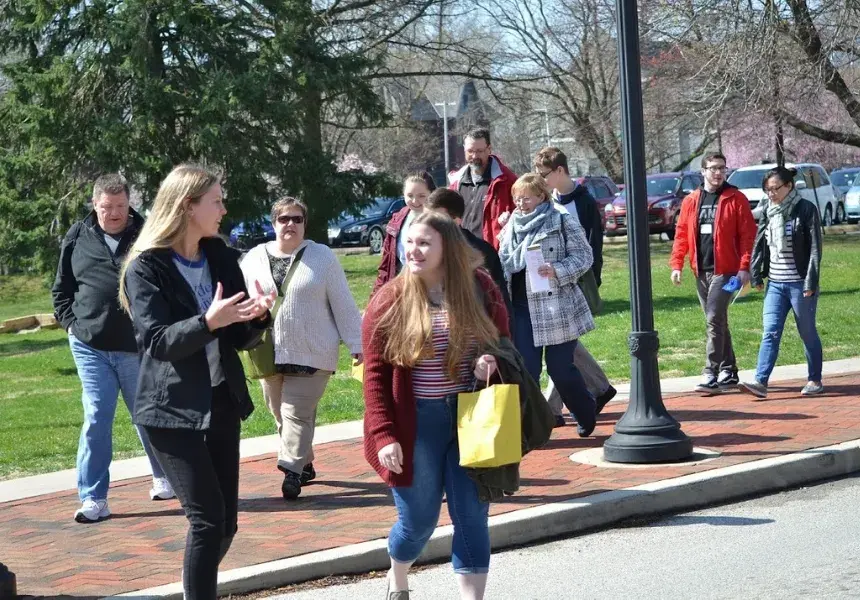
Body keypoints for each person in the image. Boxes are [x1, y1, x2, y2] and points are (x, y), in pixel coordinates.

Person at [120, 164, 275, 600]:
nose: (224, 209)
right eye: (216, 201)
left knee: (226, 523)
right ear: (189, 206)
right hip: (170, 412)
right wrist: (208, 321)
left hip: (221, 402)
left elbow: (241, 337)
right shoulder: (146, 268)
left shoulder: (221, 256)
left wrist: (258, 315)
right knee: (207, 520)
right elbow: (157, 342)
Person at [362, 211, 511, 600]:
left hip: (472, 418)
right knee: (418, 522)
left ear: (448, 247)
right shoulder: (390, 300)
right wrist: (383, 435)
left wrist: (490, 363)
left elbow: (505, 344)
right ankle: (398, 573)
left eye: (425, 242)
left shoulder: (480, 288)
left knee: (472, 516)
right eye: (410, 242)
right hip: (416, 425)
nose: (414, 250)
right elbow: (374, 377)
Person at [52, 174, 173, 523]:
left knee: (146, 415)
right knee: (96, 416)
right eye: (107, 207)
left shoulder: (147, 234)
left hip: (136, 345)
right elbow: (62, 287)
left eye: (121, 206)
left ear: (129, 203)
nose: (115, 213)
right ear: (95, 205)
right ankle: (94, 499)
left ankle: (164, 476)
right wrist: (71, 323)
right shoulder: (78, 236)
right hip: (90, 344)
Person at [240, 197, 363, 499]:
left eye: (297, 219)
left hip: (314, 349)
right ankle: (304, 463)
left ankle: (291, 472)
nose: (290, 224)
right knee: (280, 413)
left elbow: (344, 304)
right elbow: (240, 299)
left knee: (296, 412)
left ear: (305, 224)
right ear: (273, 224)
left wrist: (357, 344)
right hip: (269, 352)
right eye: (284, 219)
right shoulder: (254, 258)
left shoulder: (322, 257)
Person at [498, 173, 598, 437]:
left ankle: (585, 410)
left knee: (560, 370)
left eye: (526, 199)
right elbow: (504, 262)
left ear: (541, 196)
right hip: (521, 309)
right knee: (527, 371)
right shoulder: (510, 226)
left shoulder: (561, 219)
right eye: (517, 199)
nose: (520, 204)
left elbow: (585, 256)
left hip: (556, 307)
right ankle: (534, 426)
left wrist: (556, 270)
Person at [533, 147, 617, 426]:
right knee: (564, 345)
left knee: (560, 345)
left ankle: (552, 408)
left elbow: (593, 247)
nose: (540, 179)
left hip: (575, 283)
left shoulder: (583, 203)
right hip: (549, 284)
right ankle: (600, 389)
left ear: (560, 171)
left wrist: (592, 281)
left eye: (544, 174)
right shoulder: (549, 200)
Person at [669, 152, 757, 394]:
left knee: (713, 320)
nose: (718, 172)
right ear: (703, 171)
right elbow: (681, 235)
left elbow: (748, 237)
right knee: (718, 321)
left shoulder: (736, 198)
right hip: (701, 271)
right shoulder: (691, 201)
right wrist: (676, 265)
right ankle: (730, 369)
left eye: (722, 168)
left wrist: (744, 267)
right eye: (713, 168)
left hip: (727, 273)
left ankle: (711, 372)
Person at [739, 166, 824, 399]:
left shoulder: (806, 209)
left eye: (775, 189)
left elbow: (815, 248)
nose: (771, 194)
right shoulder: (769, 209)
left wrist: (810, 283)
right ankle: (761, 382)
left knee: (807, 332)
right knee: (770, 331)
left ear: (789, 186)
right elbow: (760, 242)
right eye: (767, 190)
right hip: (775, 284)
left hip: (800, 284)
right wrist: (756, 274)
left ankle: (815, 379)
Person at [423, 187, 513, 322]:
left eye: (436, 219)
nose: (429, 224)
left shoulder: (481, 253)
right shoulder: (420, 249)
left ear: (456, 221)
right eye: (425, 217)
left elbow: (499, 303)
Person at [448, 127, 517, 250]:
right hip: (461, 254)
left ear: (489, 150)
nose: (474, 156)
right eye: (470, 151)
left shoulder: (507, 182)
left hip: (492, 257)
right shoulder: (456, 184)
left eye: (479, 151)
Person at [372, 172, 436, 296]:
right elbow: (385, 266)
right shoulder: (397, 220)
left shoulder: (440, 220)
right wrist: (376, 298)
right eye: (409, 195)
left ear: (431, 194)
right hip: (402, 290)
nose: (414, 201)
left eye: (421, 196)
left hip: (431, 290)